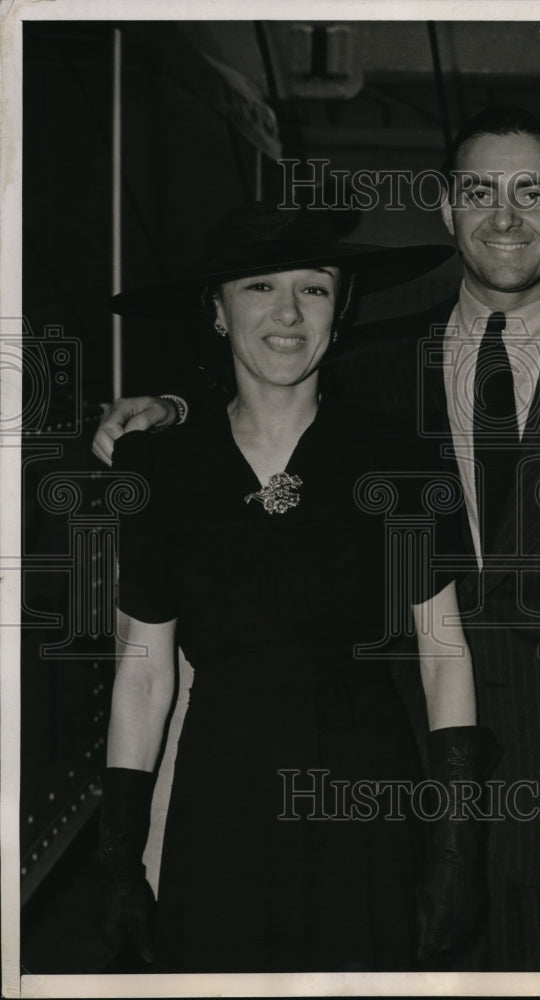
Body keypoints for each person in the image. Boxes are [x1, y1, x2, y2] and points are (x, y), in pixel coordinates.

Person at [94, 106, 540, 972]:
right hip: (385, 789)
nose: (504, 216)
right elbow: (266, 384)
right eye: (478, 192)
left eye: (532, 193)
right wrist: (167, 409)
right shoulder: (368, 368)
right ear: (447, 210)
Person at [96, 202, 502, 973]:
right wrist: (118, 859)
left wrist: (455, 845)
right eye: (258, 287)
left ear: (339, 312)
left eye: (313, 289)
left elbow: (443, 655)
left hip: (365, 795)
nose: (287, 313)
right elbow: (144, 675)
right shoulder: (160, 468)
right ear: (217, 311)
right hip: (220, 794)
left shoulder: (397, 457)